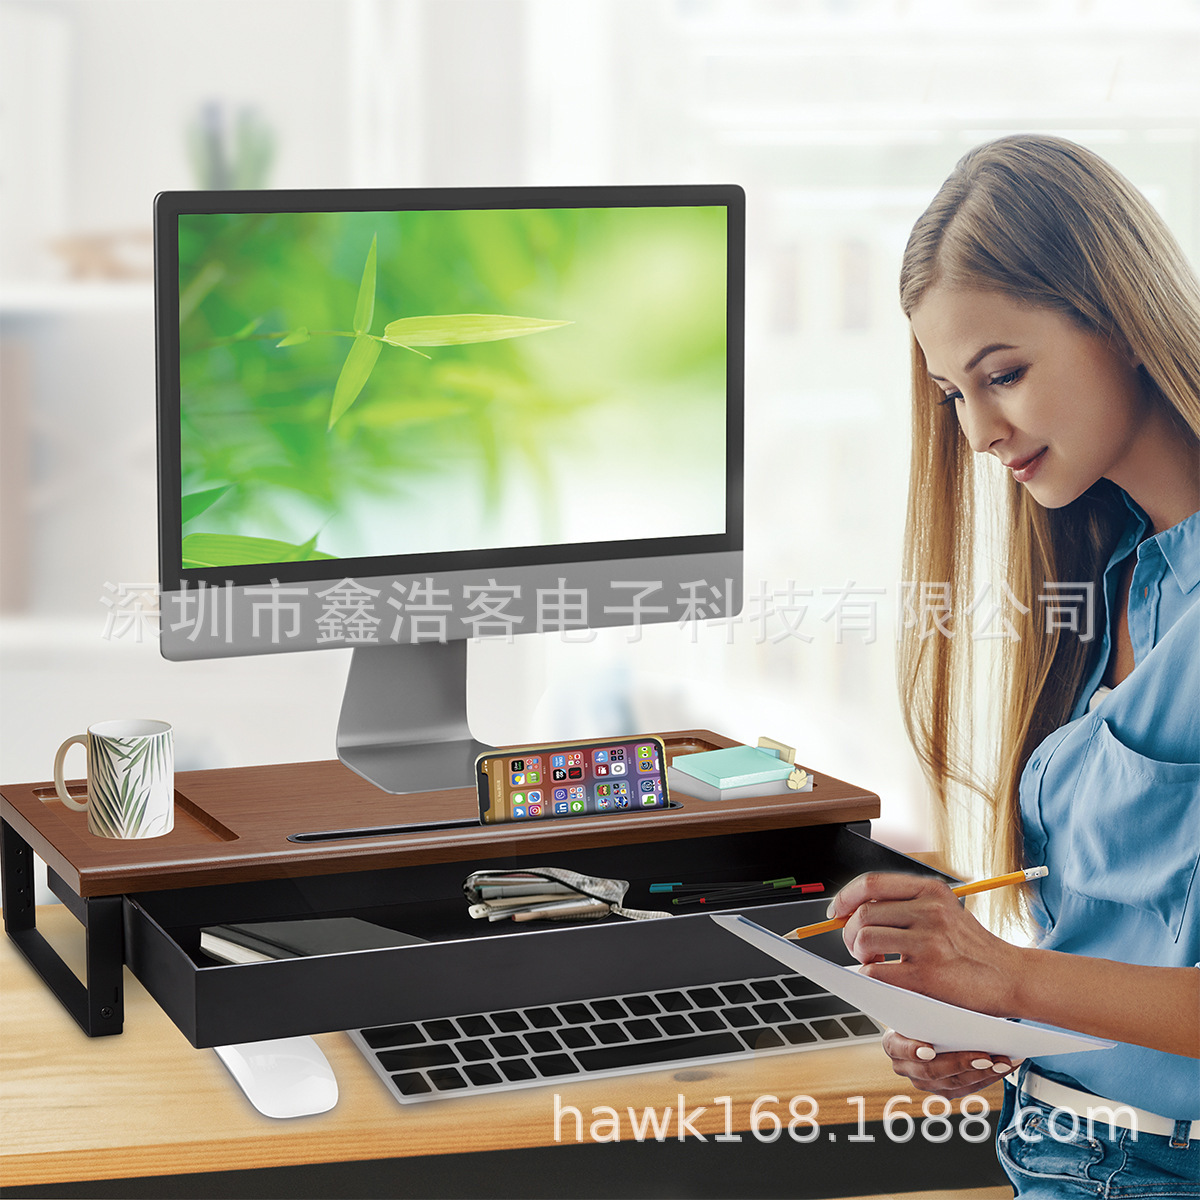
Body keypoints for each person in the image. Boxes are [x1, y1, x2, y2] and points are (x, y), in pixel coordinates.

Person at [825, 135, 1200, 1195]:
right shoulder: (1117, 580)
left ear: (1122, 321)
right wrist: (996, 1009)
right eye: (952, 394)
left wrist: (1004, 972)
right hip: (1063, 1146)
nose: (981, 431)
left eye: (1004, 375)